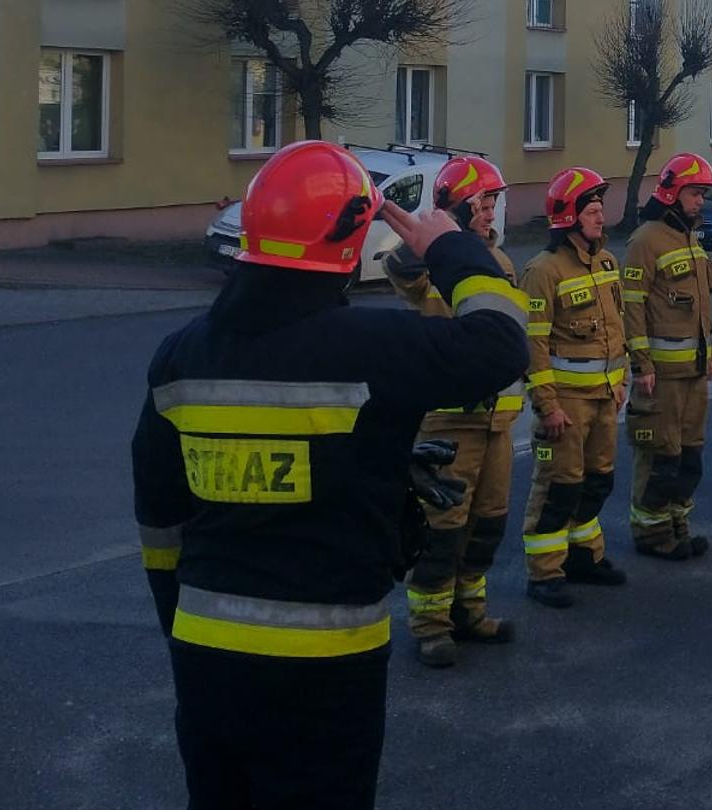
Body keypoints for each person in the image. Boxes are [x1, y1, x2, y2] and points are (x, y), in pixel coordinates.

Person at [132, 140, 528, 808]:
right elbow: (500, 340)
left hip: (205, 654)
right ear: (347, 244)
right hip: (327, 660)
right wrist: (450, 248)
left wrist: (184, 622)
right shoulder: (373, 348)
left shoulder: (181, 355)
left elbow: (159, 517)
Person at [381, 155, 527, 669]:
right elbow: (399, 271)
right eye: (482, 204)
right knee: (443, 527)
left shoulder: (499, 263)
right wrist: (430, 236)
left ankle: (470, 611)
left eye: (493, 203)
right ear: (457, 208)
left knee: (488, 523)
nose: (491, 213)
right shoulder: (432, 261)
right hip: (449, 424)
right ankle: (430, 626)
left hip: (498, 422)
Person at [519, 167, 630, 609]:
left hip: (604, 398)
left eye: (602, 210)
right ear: (570, 216)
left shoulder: (607, 262)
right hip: (565, 405)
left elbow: (615, 328)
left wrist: (620, 380)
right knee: (558, 487)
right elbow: (534, 345)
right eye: (593, 210)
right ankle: (544, 573)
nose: (601, 218)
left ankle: (584, 557)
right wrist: (547, 407)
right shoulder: (542, 271)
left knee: (598, 481)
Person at [621, 152, 712, 561]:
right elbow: (633, 305)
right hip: (661, 376)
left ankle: (678, 525)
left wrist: (709, 355)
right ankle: (652, 534)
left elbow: (699, 308)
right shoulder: (646, 240)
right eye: (694, 193)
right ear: (672, 193)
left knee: (689, 457)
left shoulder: (690, 238)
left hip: (694, 371)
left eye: (701, 194)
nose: (700, 201)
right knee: (661, 457)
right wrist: (641, 364)